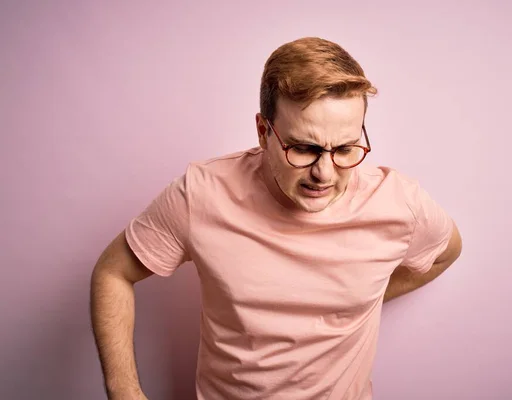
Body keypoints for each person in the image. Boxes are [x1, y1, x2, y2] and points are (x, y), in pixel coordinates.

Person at [90, 36, 463, 400]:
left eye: (346, 148)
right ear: (263, 131)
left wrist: (367, 296)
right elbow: (113, 272)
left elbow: (446, 252)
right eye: (304, 148)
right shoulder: (201, 193)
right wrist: (125, 391)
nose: (325, 174)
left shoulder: (398, 203)